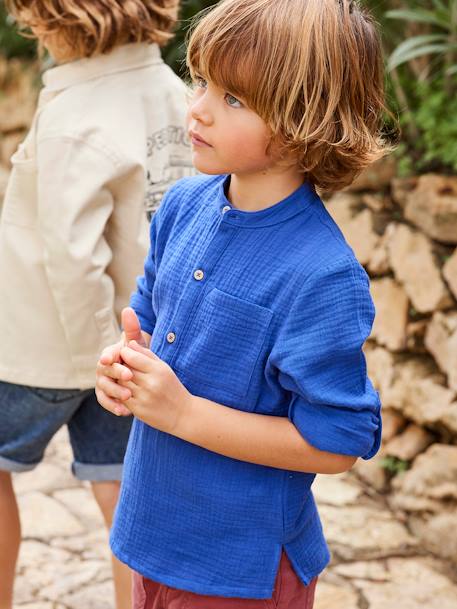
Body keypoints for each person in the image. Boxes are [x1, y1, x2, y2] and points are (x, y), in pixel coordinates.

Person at [96, 0, 387, 607]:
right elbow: (148, 321)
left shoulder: (322, 274)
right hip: (154, 531)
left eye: (234, 98)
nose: (197, 106)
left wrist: (181, 414)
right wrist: (125, 369)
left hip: (243, 567)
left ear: (304, 119)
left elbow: (338, 441)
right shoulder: (182, 204)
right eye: (202, 80)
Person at [0, 1, 193, 608]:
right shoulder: (172, 92)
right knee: (121, 491)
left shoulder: (76, 116)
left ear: (49, 19)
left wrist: (99, 359)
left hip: (46, 352)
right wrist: (121, 364)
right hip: (136, 350)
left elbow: (73, 255)